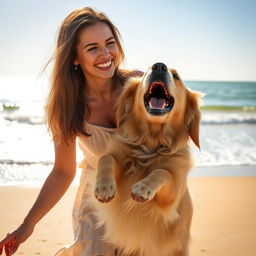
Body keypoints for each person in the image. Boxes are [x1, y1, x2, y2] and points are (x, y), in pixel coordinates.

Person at [0, 7, 142, 256]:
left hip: (142, 201)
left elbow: (172, 139)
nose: (105, 53)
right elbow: (63, 171)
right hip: (98, 201)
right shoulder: (68, 107)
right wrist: (28, 224)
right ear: (75, 57)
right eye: (92, 48)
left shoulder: (141, 85)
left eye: (110, 43)